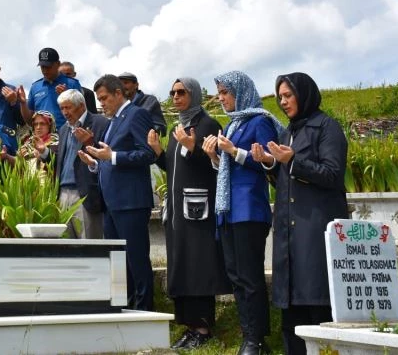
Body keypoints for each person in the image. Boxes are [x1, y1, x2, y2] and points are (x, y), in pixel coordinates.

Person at [251, 73, 348, 355]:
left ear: (304, 94)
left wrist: (293, 160)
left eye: (288, 95)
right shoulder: (287, 132)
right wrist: (270, 165)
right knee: (291, 312)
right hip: (288, 235)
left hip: (314, 232)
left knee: (317, 306)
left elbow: (332, 174)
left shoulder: (327, 128)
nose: (283, 102)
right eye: (280, 97)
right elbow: (286, 180)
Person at [202, 71, 283, 355]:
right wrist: (215, 156)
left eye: (225, 92)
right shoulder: (233, 124)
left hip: (249, 209)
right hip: (228, 210)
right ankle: (250, 335)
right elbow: (229, 168)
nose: (221, 98)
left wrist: (233, 150)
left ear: (241, 91)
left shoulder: (259, 121)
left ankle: (257, 339)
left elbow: (268, 164)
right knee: (236, 276)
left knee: (250, 277)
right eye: (220, 93)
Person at [148, 78, 230, 349]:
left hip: (197, 210)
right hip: (177, 212)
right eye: (172, 92)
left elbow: (215, 166)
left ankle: (203, 327)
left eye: (181, 92)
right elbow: (174, 166)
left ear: (193, 94)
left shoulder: (207, 125)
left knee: (198, 266)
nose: (175, 96)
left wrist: (193, 146)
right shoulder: (178, 127)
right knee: (181, 264)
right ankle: (188, 326)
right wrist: (159, 152)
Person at [78, 74, 157, 311]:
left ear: (118, 93)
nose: (101, 104)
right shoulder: (113, 120)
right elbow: (108, 157)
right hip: (111, 203)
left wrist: (111, 156)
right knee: (118, 260)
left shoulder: (137, 114)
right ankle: (127, 307)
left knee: (136, 259)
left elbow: (147, 154)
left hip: (131, 201)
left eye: (104, 98)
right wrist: (94, 162)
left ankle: (145, 310)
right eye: (99, 100)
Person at [55, 89, 109, 239]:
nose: (65, 112)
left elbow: (107, 158)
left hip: (85, 194)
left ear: (81, 106)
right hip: (63, 194)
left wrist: (89, 143)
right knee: (65, 247)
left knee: (89, 247)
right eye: (62, 108)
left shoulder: (100, 123)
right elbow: (62, 161)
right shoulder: (64, 129)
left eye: (68, 107)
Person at [19, 47, 81, 130]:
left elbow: (82, 113)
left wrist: (67, 98)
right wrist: (23, 104)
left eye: (48, 67)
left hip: (68, 136)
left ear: (58, 64)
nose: (45, 70)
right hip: (43, 139)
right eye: (42, 67)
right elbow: (30, 121)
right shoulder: (35, 87)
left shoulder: (72, 84)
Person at [118, 72, 167, 137]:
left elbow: (161, 128)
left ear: (136, 85)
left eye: (126, 83)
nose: (123, 87)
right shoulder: (119, 106)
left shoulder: (150, 101)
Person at [14, 110, 58, 184]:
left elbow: (56, 167)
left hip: (48, 188)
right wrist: (20, 160)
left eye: (42, 124)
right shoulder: (26, 145)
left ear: (50, 125)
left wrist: (42, 155)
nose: (38, 127)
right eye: (35, 124)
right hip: (28, 188)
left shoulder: (56, 143)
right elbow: (19, 172)